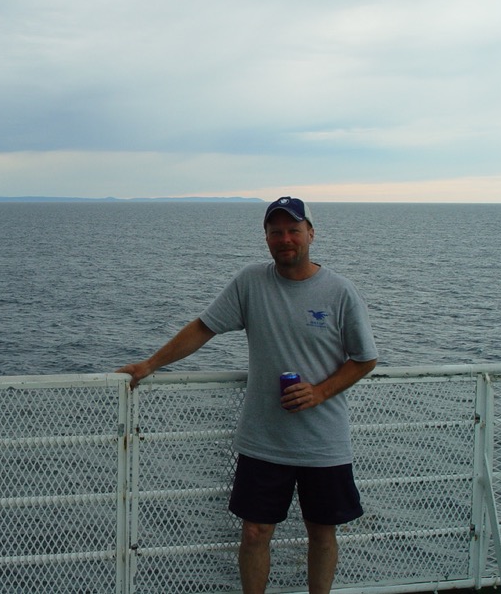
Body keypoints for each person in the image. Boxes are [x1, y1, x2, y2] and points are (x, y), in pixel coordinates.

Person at [117, 196, 378, 594]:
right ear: (266, 238)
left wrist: (320, 392)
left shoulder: (340, 292)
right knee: (255, 534)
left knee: (322, 534)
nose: (285, 239)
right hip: (264, 440)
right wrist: (149, 365)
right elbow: (204, 327)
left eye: (293, 230)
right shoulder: (250, 283)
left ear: (311, 233)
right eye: (276, 232)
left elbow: (364, 359)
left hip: (324, 442)